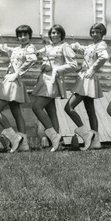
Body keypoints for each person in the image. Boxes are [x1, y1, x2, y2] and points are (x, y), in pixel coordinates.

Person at [0, 25, 37, 153]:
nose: (22, 37)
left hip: (14, 81)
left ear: (29, 35)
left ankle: (14, 138)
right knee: (16, 112)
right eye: (20, 35)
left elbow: (32, 59)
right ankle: (24, 144)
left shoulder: (30, 48)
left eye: (25, 35)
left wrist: (18, 73)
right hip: (12, 81)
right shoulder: (17, 49)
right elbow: (7, 52)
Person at [32, 24, 77, 152]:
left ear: (62, 34)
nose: (55, 35)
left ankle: (54, 136)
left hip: (53, 81)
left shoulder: (65, 47)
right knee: (51, 111)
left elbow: (73, 65)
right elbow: (36, 55)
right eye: (52, 33)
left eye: (57, 33)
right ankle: (57, 143)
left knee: (36, 107)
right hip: (43, 80)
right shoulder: (48, 47)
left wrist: (54, 68)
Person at [64, 23, 109, 151]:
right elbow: (85, 51)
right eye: (93, 32)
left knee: (69, 107)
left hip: (88, 78)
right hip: (84, 77)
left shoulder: (101, 45)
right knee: (90, 110)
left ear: (102, 33)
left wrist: (93, 69)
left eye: (97, 32)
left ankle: (88, 134)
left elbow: (104, 57)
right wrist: (77, 47)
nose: (94, 34)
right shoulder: (92, 45)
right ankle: (96, 141)